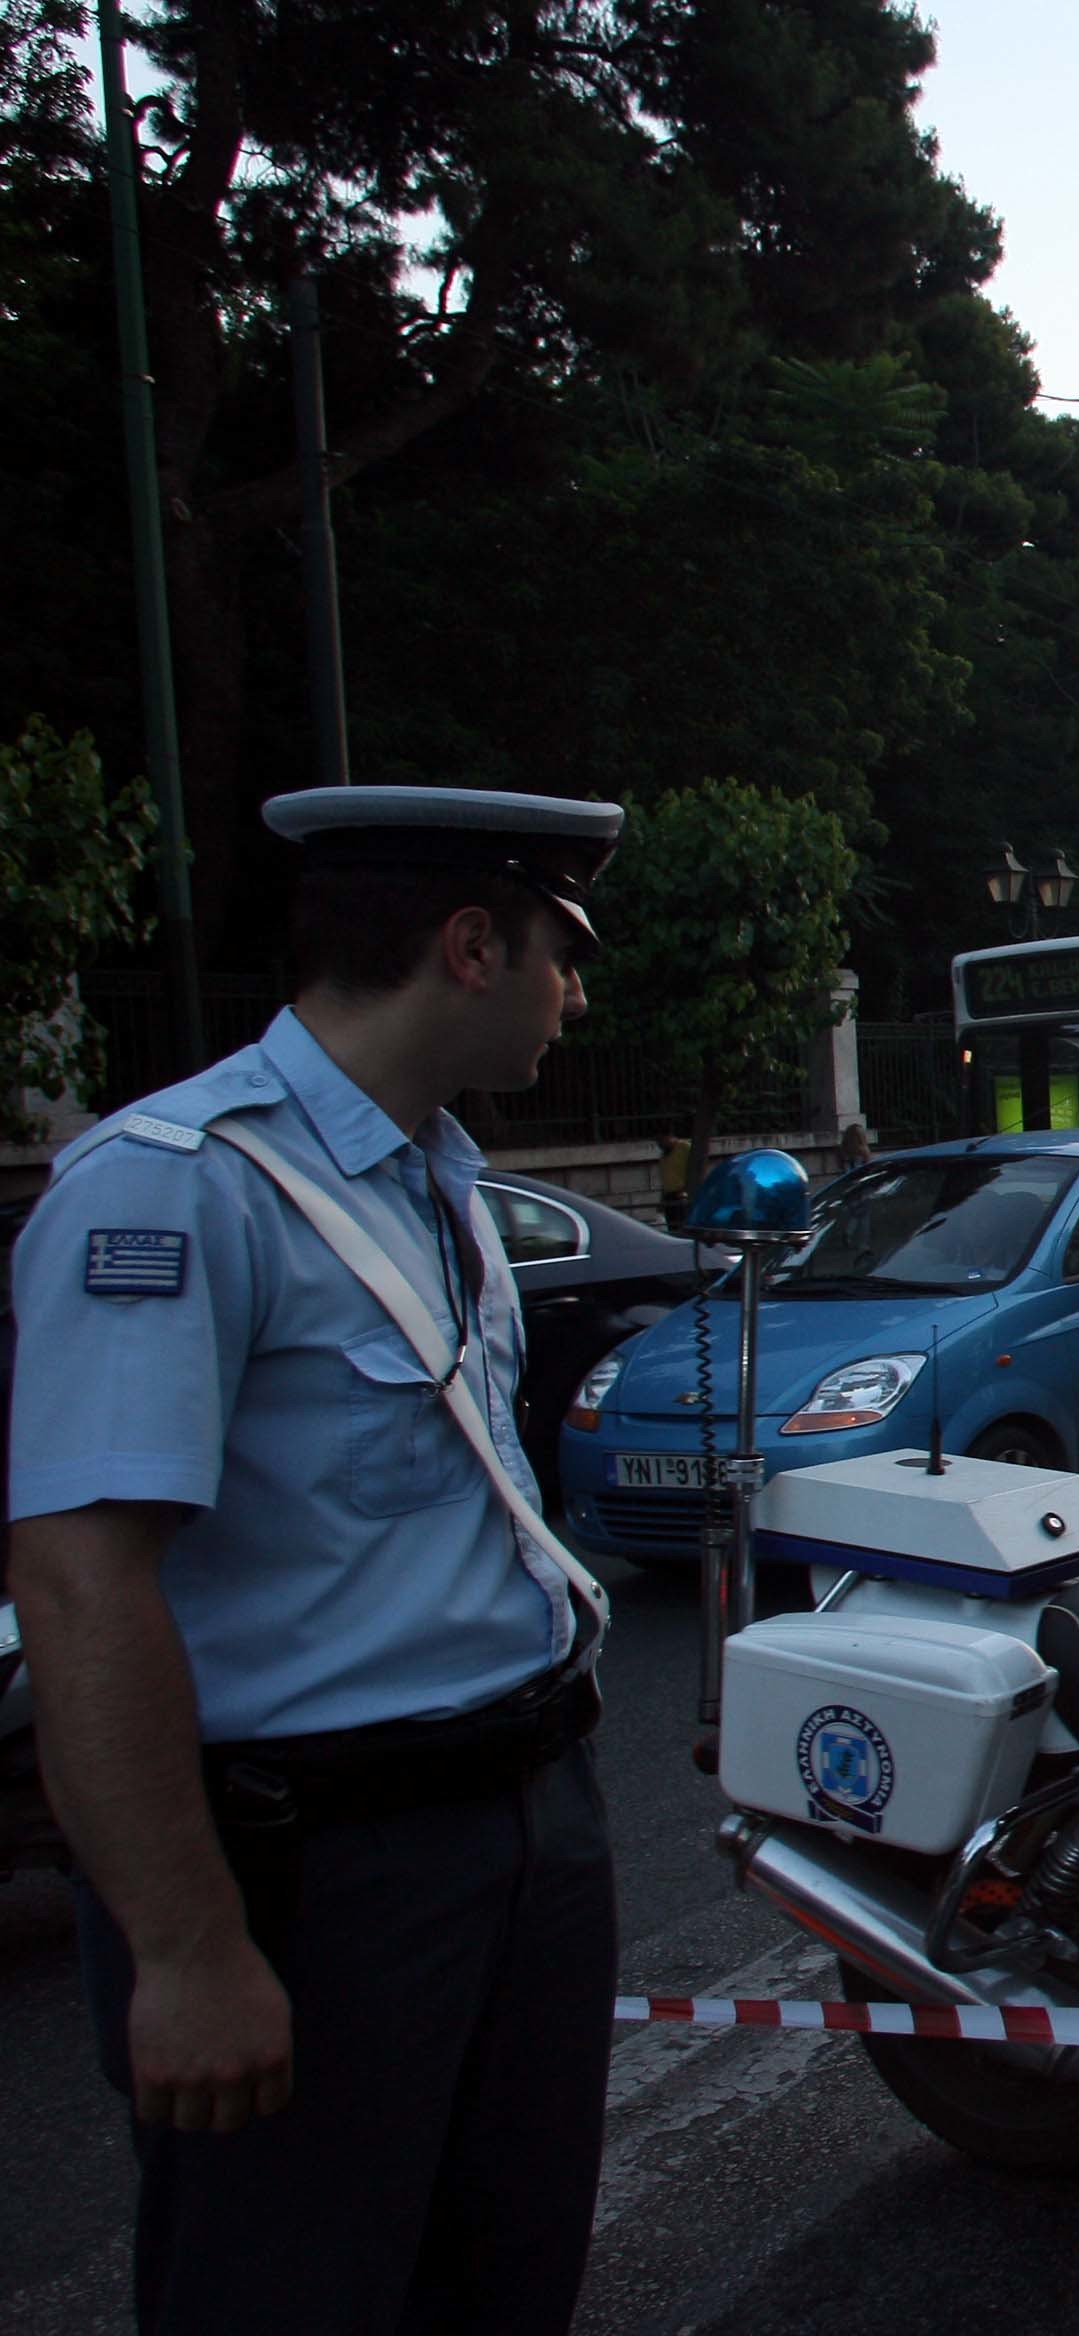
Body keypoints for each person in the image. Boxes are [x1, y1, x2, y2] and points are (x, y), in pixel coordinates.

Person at [10, 785, 625, 2334]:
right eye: (565, 951)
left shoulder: (444, 1179)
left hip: (522, 1821)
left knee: (503, 2278)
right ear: (471, 947)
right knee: (292, 2285)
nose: (579, 992)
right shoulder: (177, 1184)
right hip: (324, 1867)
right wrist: (187, 1945)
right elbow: (82, 1583)